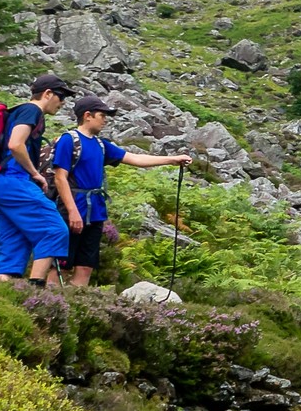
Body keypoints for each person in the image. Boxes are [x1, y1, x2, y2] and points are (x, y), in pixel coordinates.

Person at [50, 97, 193, 288]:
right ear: (87, 116)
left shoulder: (101, 145)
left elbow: (134, 158)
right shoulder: (69, 141)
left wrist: (172, 160)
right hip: (73, 208)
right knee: (62, 264)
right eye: (102, 115)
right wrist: (72, 211)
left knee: (85, 266)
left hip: (95, 212)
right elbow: (60, 177)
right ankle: (51, 299)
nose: (106, 120)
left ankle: (72, 303)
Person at [0, 75, 73, 286]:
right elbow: (15, 144)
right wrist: (35, 173)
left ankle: (3, 296)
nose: (62, 103)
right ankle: (36, 289)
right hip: (15, 181)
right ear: (47, 94)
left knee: (14, 247)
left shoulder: (16, 112)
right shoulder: (31, 110)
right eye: (61, 97)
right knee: (55, 230)